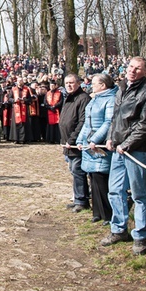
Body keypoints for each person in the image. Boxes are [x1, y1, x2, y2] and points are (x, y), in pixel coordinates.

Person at [101, 57, 146, 256]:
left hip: (137, 151)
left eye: (138, 68)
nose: (133, 71)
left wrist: (127, 144)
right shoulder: (122, 87)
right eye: (131, 67)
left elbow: (145, 125)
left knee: (139, 195)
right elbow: (115, 118)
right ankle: (118, 229)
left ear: (145, 72)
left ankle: (140, 235)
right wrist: (111, 138)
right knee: (115, 191)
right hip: (118, 149)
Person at [76, 73, 117, 224]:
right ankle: (97, 212)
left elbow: (108, 122)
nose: (91, 86)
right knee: (93, 178)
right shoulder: (94, 99)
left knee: (102, 179)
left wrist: (95, 139)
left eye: (94, 84)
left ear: (103, 85)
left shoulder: (111, 100)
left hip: (100, 144)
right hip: (89, 146)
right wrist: (80, 140)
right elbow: (87, 124)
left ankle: (107, 213)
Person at [60, 74, 91, 213]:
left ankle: (81, 200)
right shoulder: (68, 98)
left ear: (78, 83)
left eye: (71, 83)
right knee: (73, 170)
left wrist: (72, 140)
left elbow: (82, 122)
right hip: (67, 142)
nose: (69, 85)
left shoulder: (83, 98)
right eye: (66, 83)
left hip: (75, 143)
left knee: (78, 171)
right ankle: (77, 197)